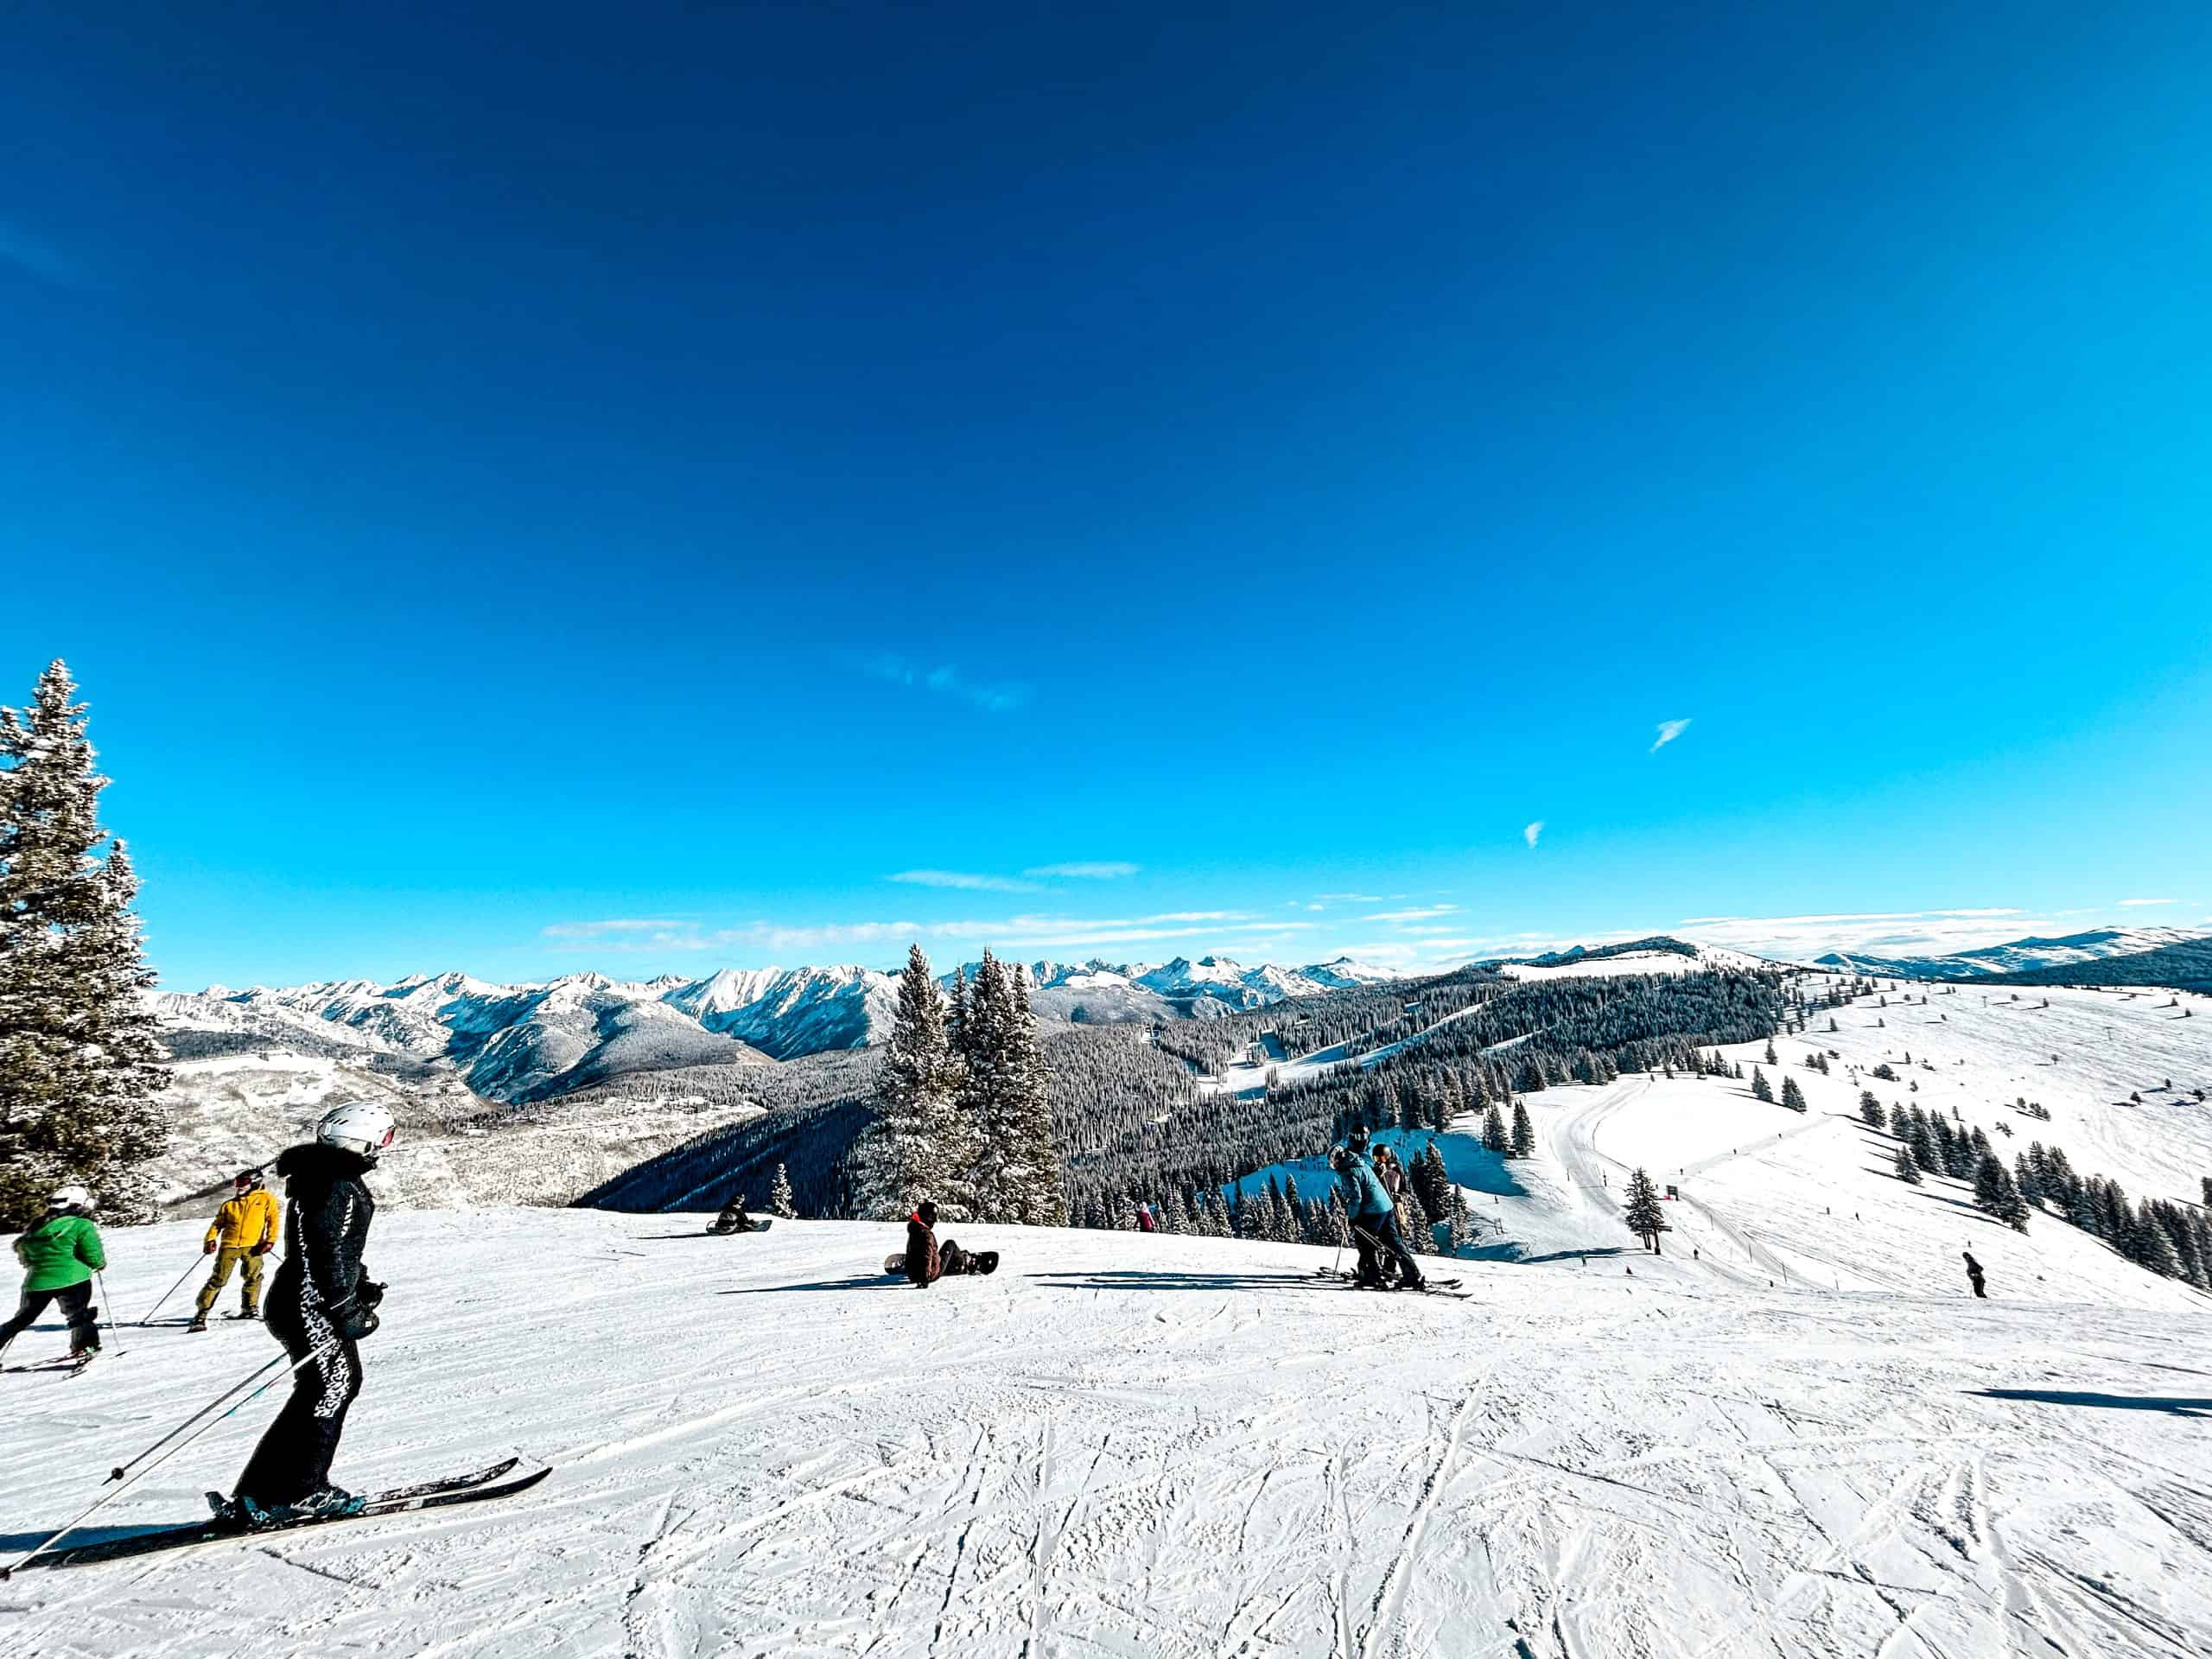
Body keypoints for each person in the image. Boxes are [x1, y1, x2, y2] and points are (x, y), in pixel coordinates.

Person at [219, 1101, 393, 1527]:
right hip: (311, 1304)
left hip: (300, 1297)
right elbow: (325, 1252)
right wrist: (344, 1306)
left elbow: (334, 1247)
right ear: (361, 1138)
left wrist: (358, 1282)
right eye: (383, 1138)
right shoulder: (337, 1183)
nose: (384, 1148)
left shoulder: (318, 1177)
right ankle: (303, 1491)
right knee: (332, 1389)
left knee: (320, 1391)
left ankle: (257, 1493)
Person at [0, 1185, 106, 1364]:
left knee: (22, 1319)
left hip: (37, 1283)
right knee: (79, 1315)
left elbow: (25, 1255)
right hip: (74, 1278)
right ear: (80, 1205)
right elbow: (92, 1253)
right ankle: (85, 1347)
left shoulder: (37, 1227)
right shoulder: (82, 1225)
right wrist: (99, 1264)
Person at [190, 1167, 280, 1331]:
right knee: (218, 1279)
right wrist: (210, 1239)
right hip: (229, 1246)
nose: (239, 1187)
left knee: (253, 1277)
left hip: (254, 1246)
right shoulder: (230, 1205)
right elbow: (217, 1224)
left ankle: (250, 1308)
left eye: (243, 1183)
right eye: (238, 1183)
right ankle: (201, 1314)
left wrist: (270, 1240)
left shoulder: (267, 1200)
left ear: (255, 1183)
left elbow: (273, 1221)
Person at [1331, 1144, 1425, 1292]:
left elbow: (1355, 1197)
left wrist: (1352, 1217)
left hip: (1373, 1209)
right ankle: (1413, 1275)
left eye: (1334, 1163)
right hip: (1387, 1207)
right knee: (1395, 1242)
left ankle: (1374, 1277)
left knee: (1365, 1242)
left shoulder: (1348, 1172)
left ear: (1337, 1161)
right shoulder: (1361, 1162)